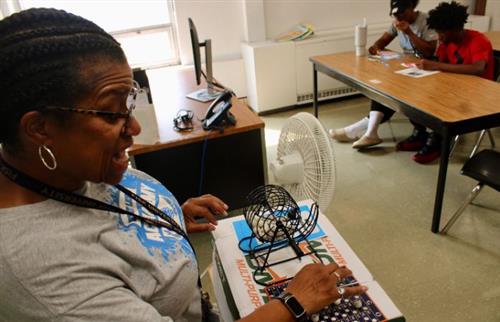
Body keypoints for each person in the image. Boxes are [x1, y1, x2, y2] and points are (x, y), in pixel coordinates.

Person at [0, 8, 366, 321]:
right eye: (112, 113)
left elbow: (106, 213)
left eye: (130, 103)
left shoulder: (66, 167)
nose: (135, 127)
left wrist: (169, 217)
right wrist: (292, 303)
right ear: (40, 128)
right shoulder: (42, 271)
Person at [330, 0, 437, 149]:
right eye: (395, 15)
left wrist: (409, 33)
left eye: (401, 13)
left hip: (429, 69)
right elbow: (383, 40)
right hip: (408, 68)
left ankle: (358, 131)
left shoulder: (426, 21)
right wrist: (376, 47)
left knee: (393, 91)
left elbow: (429, 51)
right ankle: (368, 133)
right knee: (384, 87)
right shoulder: (397, 22)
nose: (398, 18)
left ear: (412, 7)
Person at [397, 1, 494, 163]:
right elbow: (441, 67)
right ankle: (420, 132)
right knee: (411, 95)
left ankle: (438, 139)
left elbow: (478, 69)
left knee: (439, 102)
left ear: (455, 29)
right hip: (456, 88)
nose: (439, 37)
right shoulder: (446, 43)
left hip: (479, 94)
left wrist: (436, 65)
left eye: (442, 33)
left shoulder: (478, 40)